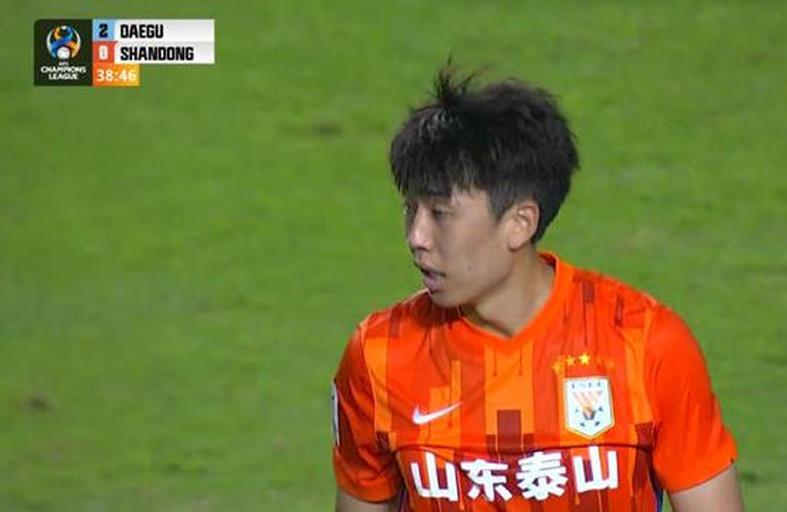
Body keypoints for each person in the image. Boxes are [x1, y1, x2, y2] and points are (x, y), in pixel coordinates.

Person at [331, 67, 744, 512]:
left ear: (520, 223)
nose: (417, 236)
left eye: (440, 213)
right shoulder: (381, 356)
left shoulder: (643, 345)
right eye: (410, 210)